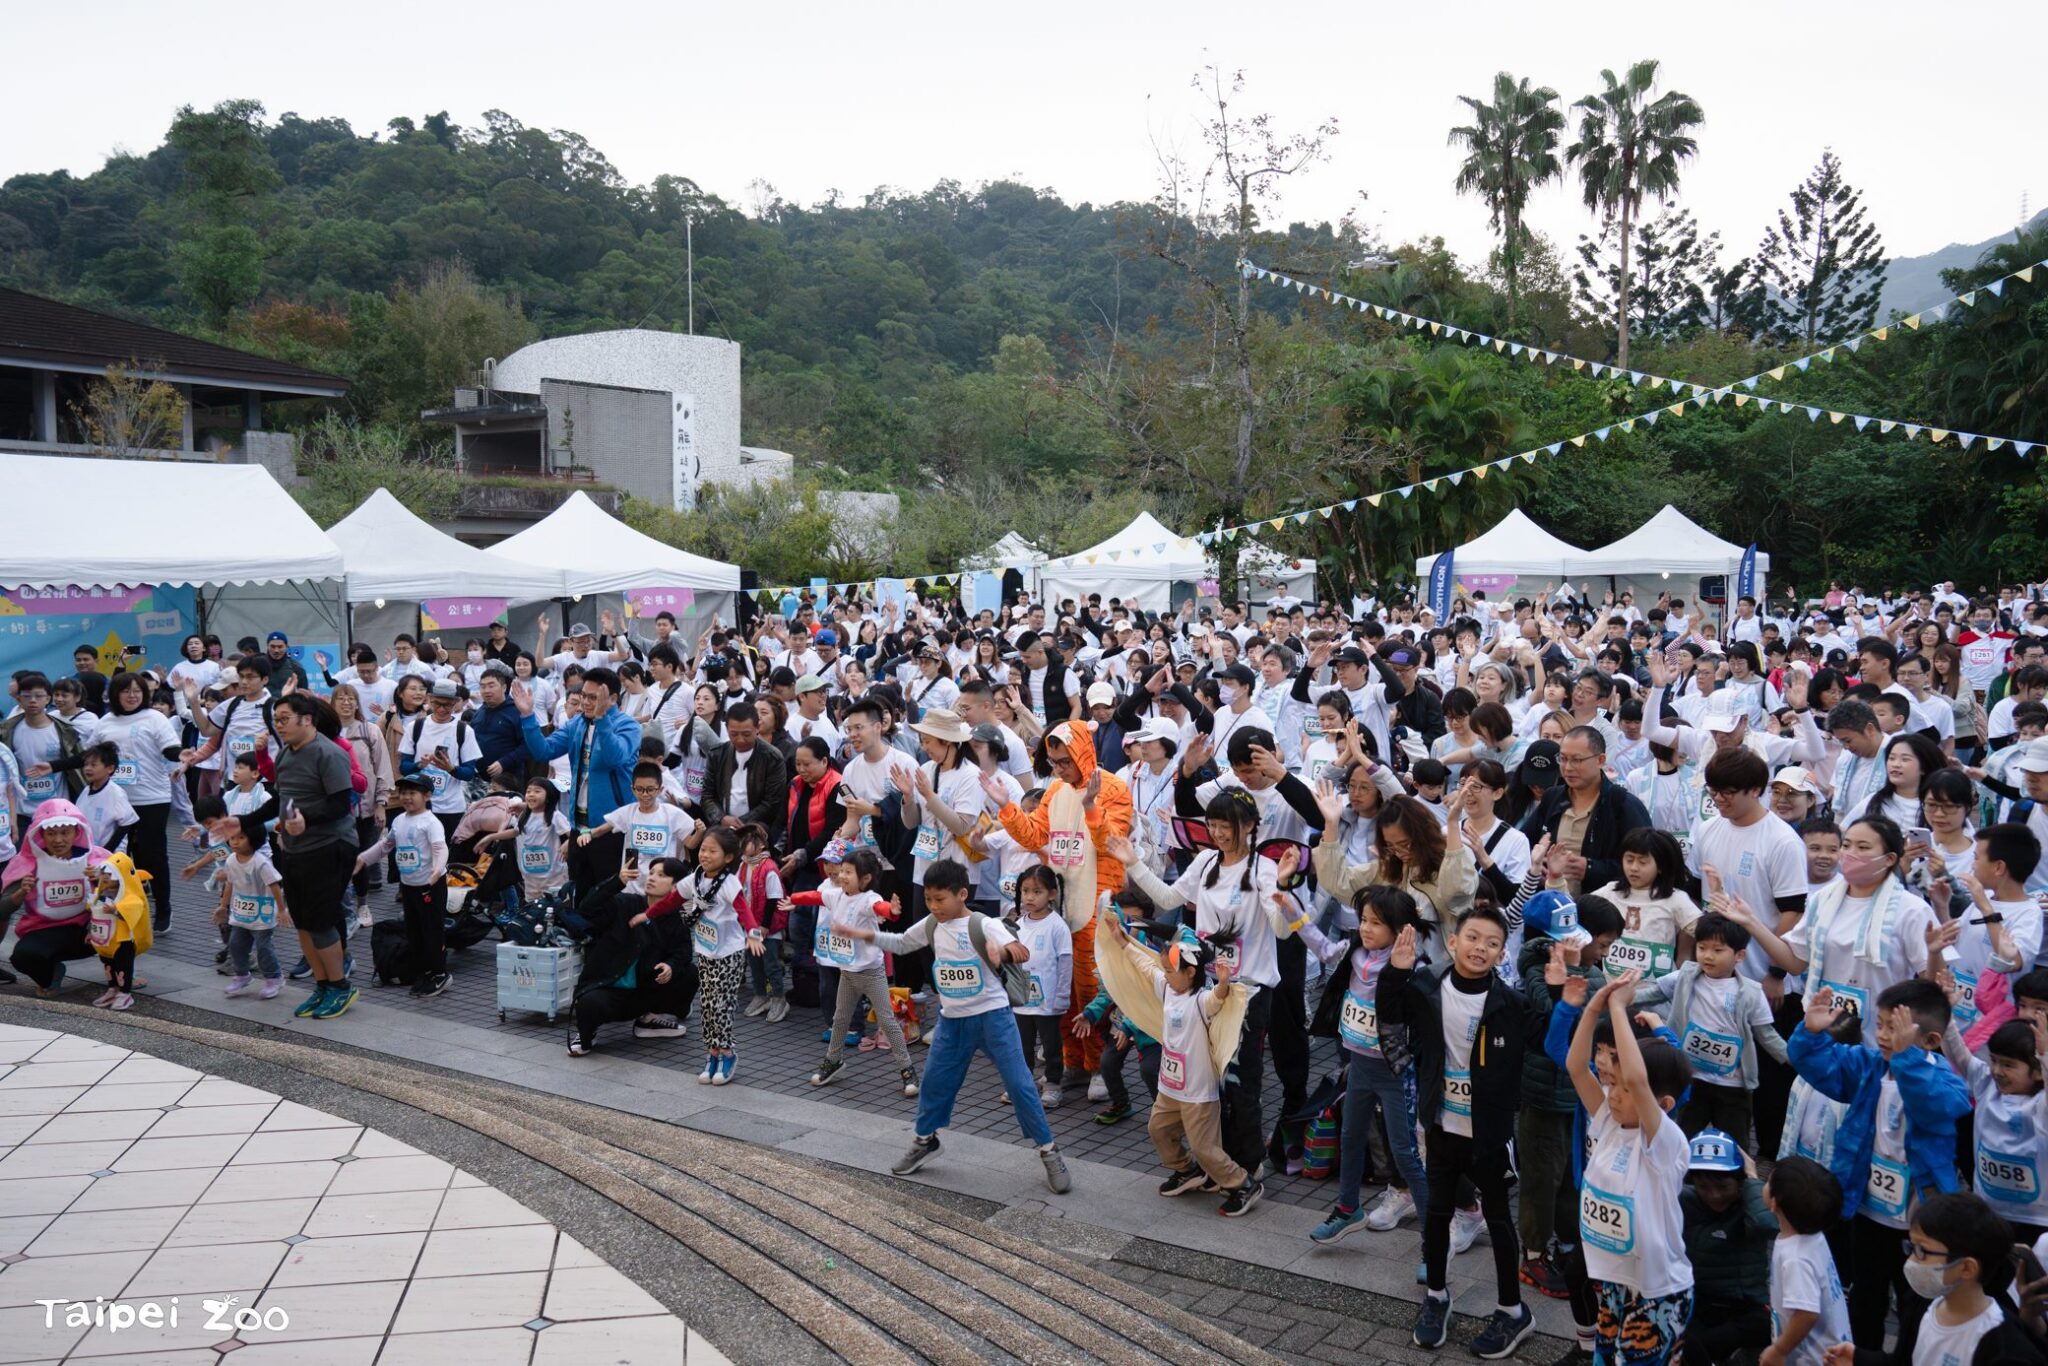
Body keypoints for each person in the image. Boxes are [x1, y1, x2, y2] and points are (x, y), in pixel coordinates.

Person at [1379, 906, 1539, 1357]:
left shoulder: (1512, 1003)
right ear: (1453, 942)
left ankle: (1512, 1310)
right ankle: (1436, 1297)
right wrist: (1396, 972)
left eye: (1491, 943)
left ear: (1502, 953)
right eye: (1472, 938)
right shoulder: (1428, 987)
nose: (1480, 948)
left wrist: (1564, 993)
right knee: (1437, 1213)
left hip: (1489, 1132)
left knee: (1499, 1218)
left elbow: (1549, 1039)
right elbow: (1388, 1012)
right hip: (1442, 1125)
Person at [858, 860, 1073, 1194]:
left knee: (1020, 1086)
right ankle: (926, 1140)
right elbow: (901, 943)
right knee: (933, 1084)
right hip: (952, 1021)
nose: (933, 906)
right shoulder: (931, 924)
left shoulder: (983, 924)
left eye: (940, 899)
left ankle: (1049, 1151)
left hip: (994, 1019)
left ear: (961, 894)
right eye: (929, 899)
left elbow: (1022, 950)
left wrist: (1001, 951)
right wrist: (866, 935)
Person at [1790, 979, 1971, 1353]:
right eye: (1883, 1025)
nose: (1885, 1036)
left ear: (1932, 1041)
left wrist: (1906, 1060)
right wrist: (1811, 1031)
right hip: (1867, 1207)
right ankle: (1858, 1355)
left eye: (1897, 1029)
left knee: (1914, 1303)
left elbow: (1933, 1106)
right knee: (1865, 1295)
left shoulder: (1945, 1082)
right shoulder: (1868, 1066)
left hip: (1917, 1219)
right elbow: (1818, 1065)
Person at [1567, 969, 1697, 1366]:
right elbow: (1575, 1066)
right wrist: (1595, 1007)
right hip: (1616, 1282)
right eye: (1613, 1086)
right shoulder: (1607, 1120)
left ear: (1665, 1103)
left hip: (1657, 1290)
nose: (1615, 1094)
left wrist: (1621, 1011)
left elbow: (1639, 1080)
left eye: (1624, 1090)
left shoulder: (1664, 1143)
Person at [1301, 885, 1431, 1245]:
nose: (1366, 928)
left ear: (1400, 928)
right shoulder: (1355, 953)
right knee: (1351, 1136)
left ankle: (1433, 1242)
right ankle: (1347, 1209)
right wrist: (1289, 907)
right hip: (1358, 1065)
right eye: (1363, 920)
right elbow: (1322, 948)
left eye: (1376, 922)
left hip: (1394, 1075)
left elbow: (1403, 1014)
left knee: (1405, 1154)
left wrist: (1400, 971)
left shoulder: (1413, 970)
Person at [1111, 914, 1263, 1216]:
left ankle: (1242, 1184)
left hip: (1196, 1092)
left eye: (1171, 970)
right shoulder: (1167, 988)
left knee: (1204, 1146)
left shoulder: (1201, 1000)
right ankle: (1187, 1169)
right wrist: (1121, 941)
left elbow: (1220, 998)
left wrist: (1222, 982)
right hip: (1169, 1086)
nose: (1165, 974)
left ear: (1190, 972)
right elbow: (1146, 967)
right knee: (1158, 1129)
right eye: (1165, 969)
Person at [1633, 912, 1789, 1145]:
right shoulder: (1685, 976)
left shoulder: (1751, 993)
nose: (1707, 956)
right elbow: (1653, 993)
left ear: (1740, 955)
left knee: (1736, 1146)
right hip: (1690, 1078)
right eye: (1702, 948)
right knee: (1679, 1140)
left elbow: (1767, 1036)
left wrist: (1800, 1060)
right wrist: (1617, 998)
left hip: (1732, 1086)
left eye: (1718, 950)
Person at [261, 694, 360, 1020]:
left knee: (320, 920)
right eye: (276, 719)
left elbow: (340, 803)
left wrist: (306, 818)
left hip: (331, 846)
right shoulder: (286, 754)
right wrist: (242, 820)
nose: (279, 725)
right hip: (295, 848)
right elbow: (280, 798)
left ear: (307, 719)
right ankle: (322, 985)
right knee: (302, 921)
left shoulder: (329, 753)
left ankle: (340, 987)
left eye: (284, 718)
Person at [792, 846, 918, 1096]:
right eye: (842, 870)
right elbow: (814, 897)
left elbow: (881, 908)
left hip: (871, 973)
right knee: (840, 1019)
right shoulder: (836, 894)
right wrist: (791, 900)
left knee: (888, 1023)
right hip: (848, 973)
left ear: (866, 878)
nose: (842, 875)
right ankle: (833, 1060)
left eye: (848, 872)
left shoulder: (868, 899)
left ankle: (907, 1069)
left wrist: (891, 911)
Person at [513, 667, 641, 898]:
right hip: (578, 827)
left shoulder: (628, 726)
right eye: (583, 695)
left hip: (610, 829)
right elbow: (543, 750)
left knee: (608, 896)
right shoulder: (577, 724)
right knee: (580, 893)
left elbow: (615, 758)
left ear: (612, 698)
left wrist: (602, 720)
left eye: (593, 697)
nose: (585, 702)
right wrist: (527, 717)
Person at [568, 856, 695, 1057]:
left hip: (644, 990)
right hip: (610, 989)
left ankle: (648, 1021)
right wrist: (617, 882)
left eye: (661, 875)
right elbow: (586, 909)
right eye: (651, 873)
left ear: (675, 887)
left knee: (690, 973)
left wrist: (671, 966)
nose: (652, 878)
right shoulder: (625, 903)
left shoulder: (676, 918)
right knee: (588, 1002)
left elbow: (684, 951)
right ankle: (587, 1033)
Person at [1679, 1128, 1779, 1366]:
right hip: (1700, 1303)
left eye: (1723, 1187)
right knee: (1683, 1339)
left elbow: (1768, 1225)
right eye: (1704, 1187)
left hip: (1745, 1309)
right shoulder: (1685, 1200)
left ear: (1740, 1180)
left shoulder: (1751, 1207)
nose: (1714, 1196)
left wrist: (1753, 1178)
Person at [1520, 725, 1652, 896]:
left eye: (1577, 760)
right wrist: (1539, 866)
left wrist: (1591, 868)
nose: (1568, 768)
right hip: (1551, 904)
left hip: (1601, 909)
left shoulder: (1622, 805)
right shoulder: (1552, 797)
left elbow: (1646, 863)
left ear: (1600, 760)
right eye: (1563, 759)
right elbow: (1522, 844)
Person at [674, 826, 760, 1084]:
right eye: (703, 849)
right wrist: (648, 913)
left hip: (730, 952)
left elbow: (744, 910)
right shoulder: (697, 877)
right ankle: (712, 1054)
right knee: (708, 1005)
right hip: (706, 950)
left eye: (712, 851)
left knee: (723, 1005)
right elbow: (674, 897)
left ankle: (727, 1052)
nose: (705, 855)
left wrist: (754, 934)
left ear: (728, 857)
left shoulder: (730, 882)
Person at [355, 774, 451, 997]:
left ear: (426, 795)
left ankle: (440, 974)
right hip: (408, 885)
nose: (407, 797)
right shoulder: (399, 820)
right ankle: (424, 971)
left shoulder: (431, 822)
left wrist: (437, 870)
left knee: (432, 931)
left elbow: (440, 849)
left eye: (412, 793)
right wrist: (363, 859)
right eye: (404, 793)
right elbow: (385, 845)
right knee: (414, 930)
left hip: (430, 885)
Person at [0, 800, 110, 992]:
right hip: (44, 931)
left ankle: (122, 976)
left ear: (77, 832)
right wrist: (20, 894)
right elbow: (1, 910)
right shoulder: (27, 865)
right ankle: (51, 974)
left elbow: (129, 893)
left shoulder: (97, 859)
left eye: (64, 832)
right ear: (41, 834)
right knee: (22, 957)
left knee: (123, 928)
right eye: (51, 833)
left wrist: (105, 882)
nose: (58, 840)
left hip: (88, 930)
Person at [1762, 1154, 1850, 1366]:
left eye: (1768, 1181)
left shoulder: (1795, 1258)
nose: (1764, 1184)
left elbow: (1807, 1313)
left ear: (1774, 1203)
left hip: (1813, 1359)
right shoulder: (1814, 1234)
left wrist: (1779, 1350)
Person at [1008, 864, 1074, 1107]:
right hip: (1022, 999)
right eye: (1025, 891)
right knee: (1022, 1045)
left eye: (1037, 892)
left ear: (1052, 894)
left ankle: (1054, 1084)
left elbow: (1065, 963)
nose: (1029, 897)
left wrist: (1061, 997)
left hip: (1048, 1001)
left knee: (1051, 1046)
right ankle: (1025, 1084)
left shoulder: (1057, 926)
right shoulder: (1018, 924)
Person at [220, 813, 285, 1000]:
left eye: (241, 838)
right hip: (240, 913)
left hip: (262, 913)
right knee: (235, 944)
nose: (235, 842)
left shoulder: (260, 862)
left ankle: (274, 978)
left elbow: (274, 885)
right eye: (232, 838)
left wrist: (281, 910)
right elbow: (230, 883)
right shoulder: (231, 860)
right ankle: (242, 975)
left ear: (253, 839)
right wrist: (223, 907)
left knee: (264, 947)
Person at [84, 850, 151, 1010]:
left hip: (123, 940)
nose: (105, 876)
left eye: (110, 873)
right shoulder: (100, 892)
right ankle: (113, 988)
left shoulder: (130, 895)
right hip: (104, 938)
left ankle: (125, 993)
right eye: (104, 872)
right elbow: (94, 913)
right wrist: (90, 931)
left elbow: (134, 909)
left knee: (123, 965)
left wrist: (115, 910)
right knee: (108, 964)